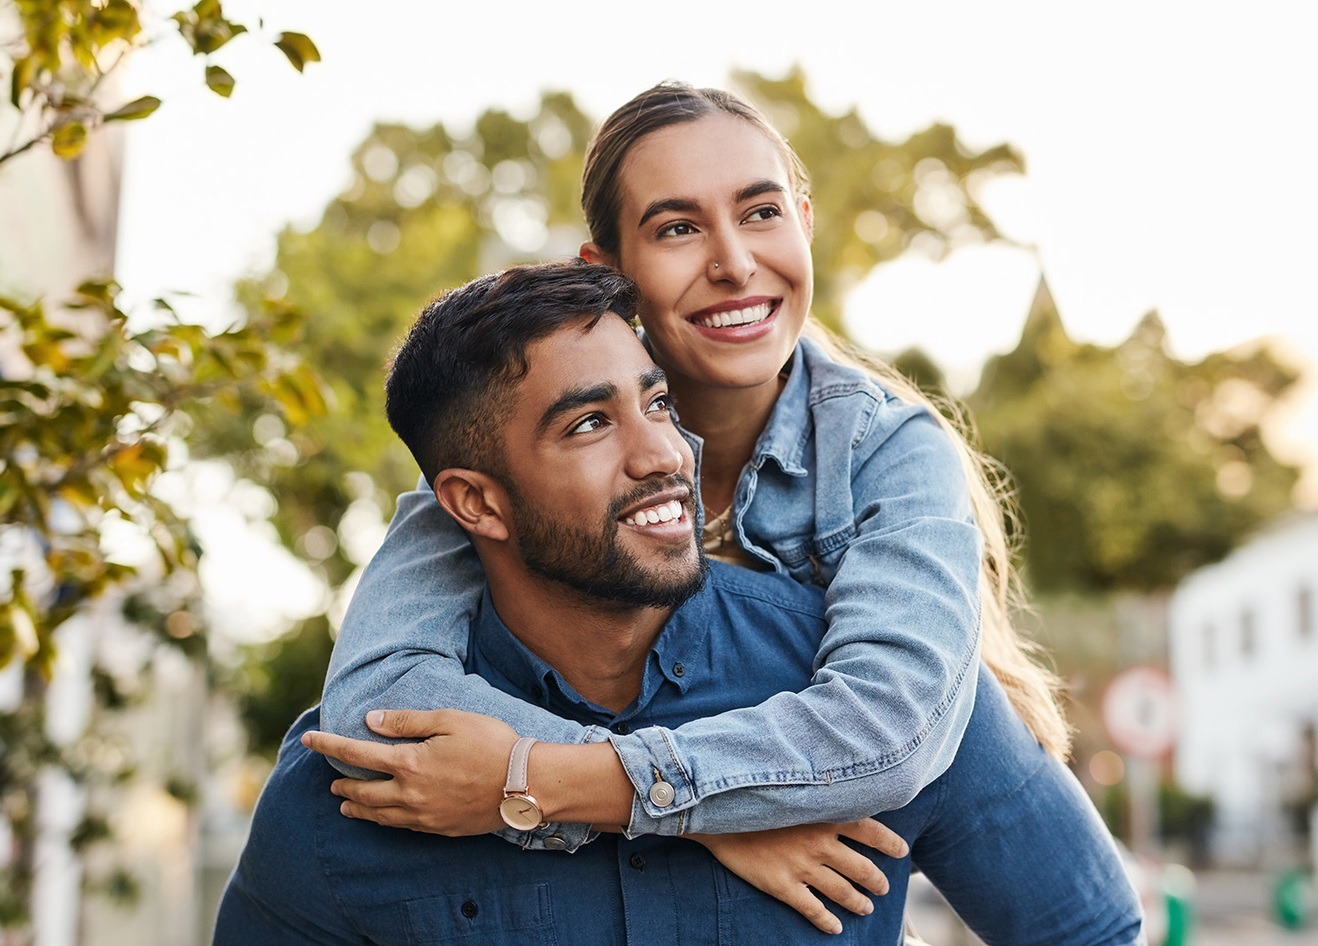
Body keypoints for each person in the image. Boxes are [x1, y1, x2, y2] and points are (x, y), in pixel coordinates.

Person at [308, 84, 1140, 940]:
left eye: (761, 212)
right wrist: (709, 822)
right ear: (606, 272)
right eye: (677, 228)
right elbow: (379, 699)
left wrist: (544, 782)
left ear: (805, 224)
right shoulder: (513, 456)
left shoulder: (882, 452)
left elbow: (889, 726)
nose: (735, 262)